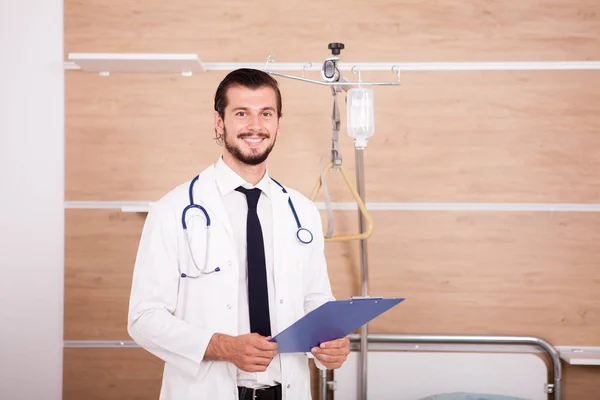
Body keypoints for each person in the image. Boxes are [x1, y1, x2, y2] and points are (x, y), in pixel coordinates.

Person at [127, 68, 350, 400]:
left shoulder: (301, 210)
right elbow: (144, 319)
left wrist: (331, 341)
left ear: (278, 122)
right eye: (242, 113)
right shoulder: (173, 210)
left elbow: (315, 300)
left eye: (266, 114)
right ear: (220, 122)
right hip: (207, 391)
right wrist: (222, 346)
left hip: (286, 390)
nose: (255, 126)